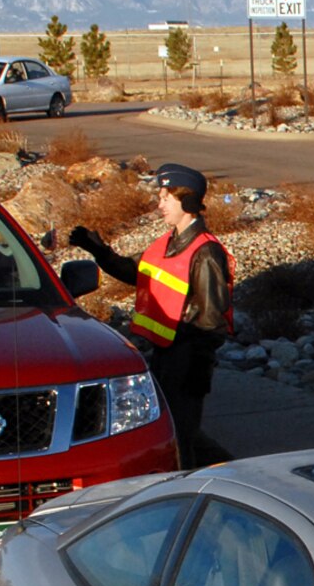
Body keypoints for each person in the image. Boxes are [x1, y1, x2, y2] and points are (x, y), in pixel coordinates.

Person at [67, 163, 232, 466]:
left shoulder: (206, 253)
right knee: (179, 431)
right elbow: (137, 274)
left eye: (166, 198)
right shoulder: (165, 245)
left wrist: (197, 361)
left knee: (180, 436)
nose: (159, 205)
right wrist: (100, 251)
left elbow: (213, 317)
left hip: (187, 358)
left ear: (189, 202)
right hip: (166, 354)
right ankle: (235, 473)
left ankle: (208, 484)